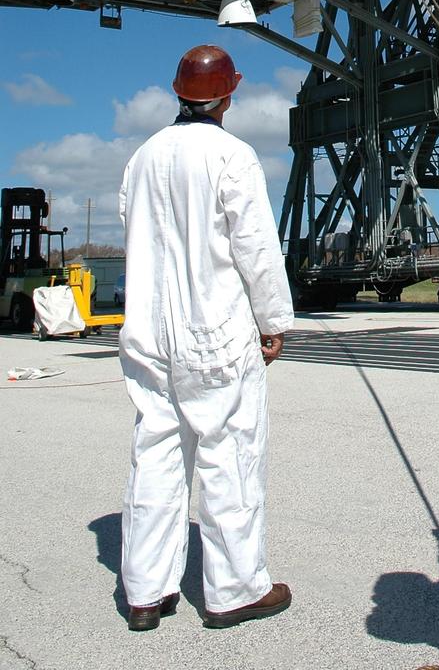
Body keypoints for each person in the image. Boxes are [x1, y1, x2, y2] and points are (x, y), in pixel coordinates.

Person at [118, 44, 294, 631]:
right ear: (230, 93)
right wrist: (274, 322)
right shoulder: (232, 156)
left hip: (147, 333)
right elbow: (258, 252)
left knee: (156, 455)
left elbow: (134, 227)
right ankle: (235, 591)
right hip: (215, 335)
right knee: (229, 457)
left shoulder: (141, 158)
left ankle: (145, 592)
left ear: (178, 92)